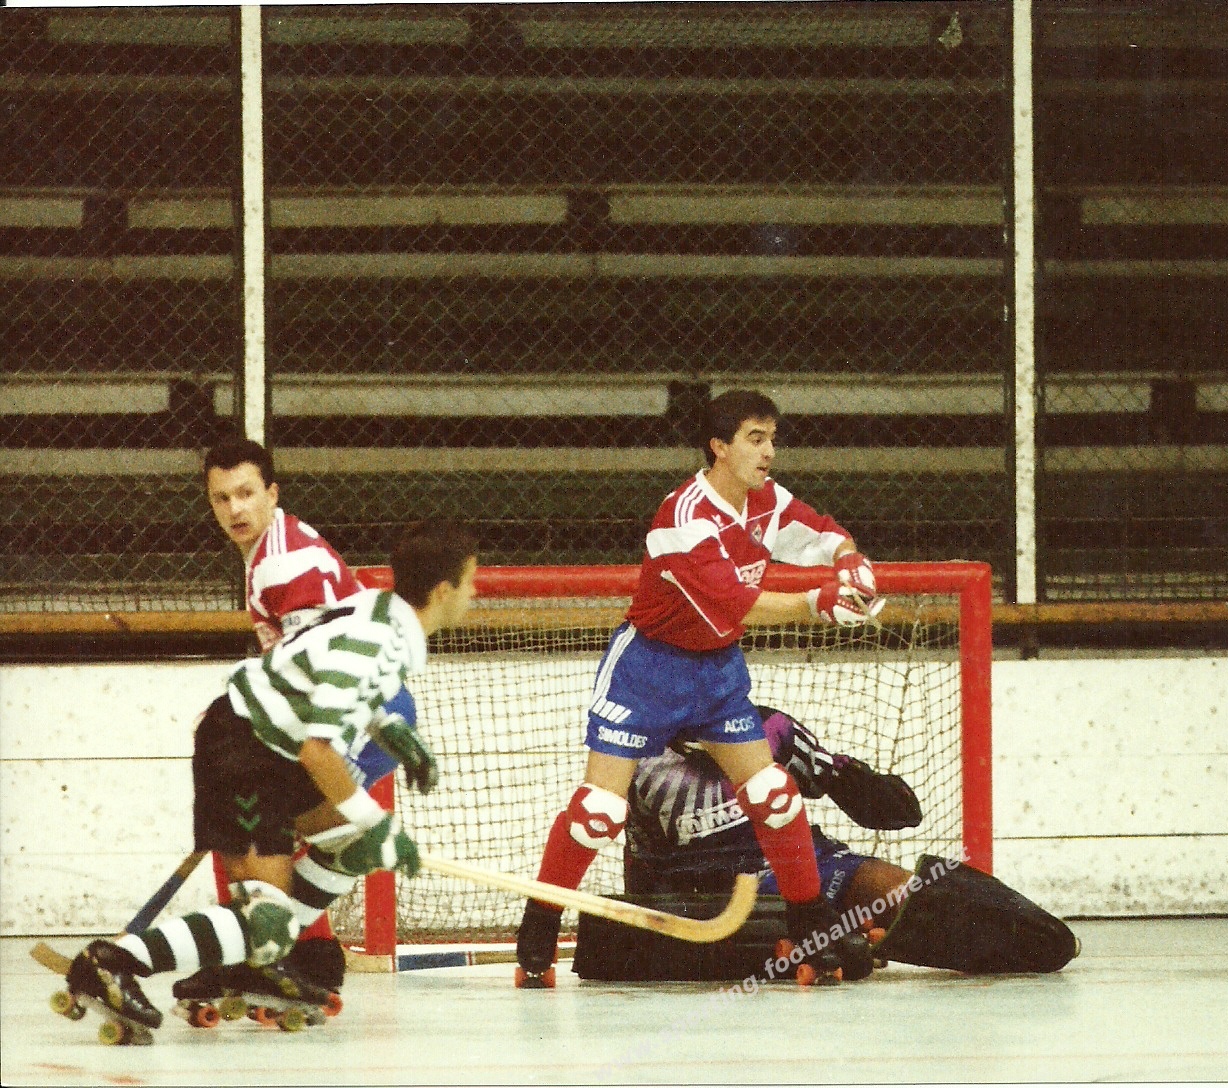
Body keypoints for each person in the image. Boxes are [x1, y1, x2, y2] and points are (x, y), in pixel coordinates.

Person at [513, 389, 885, 988]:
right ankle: (539, 926)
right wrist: (818, 601)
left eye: (772, 439)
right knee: (598, 813)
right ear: (719, 446)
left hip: (716, 669)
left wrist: (850, 561)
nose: (768, 452)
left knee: (774, 795)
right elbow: (736, 602)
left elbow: (821, 533)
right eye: (755, 439)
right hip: (649, 670)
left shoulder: (766, 502)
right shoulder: (683, 518)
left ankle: (809, 928)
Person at [57, 521, 477, 1040]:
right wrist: (377, 820)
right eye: (470, 582)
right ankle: (112, 962)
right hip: (244, 750)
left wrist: (386, 726)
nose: (474, 593)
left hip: (267, 749)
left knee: (354, 849)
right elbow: (318, 751)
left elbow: (323, 674)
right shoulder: (378, 641)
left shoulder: (378, 610)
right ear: (443, 590)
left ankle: (256, 958)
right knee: (269, 920)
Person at [570, 704, 1078, 981]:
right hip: (723, 894)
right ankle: (839, 941)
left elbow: (898, 813)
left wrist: (849, 776)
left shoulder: (770, 730)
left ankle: (1045, 941)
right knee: (826, 945)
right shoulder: (637, 760)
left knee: (911, 894)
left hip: (809, 865)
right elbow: (644, 873)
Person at [196, 438, 413, 998]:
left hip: (362, 714)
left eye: (246, 493)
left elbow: (324, 668)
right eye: (222, 498)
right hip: (363, 708)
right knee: (257, 811)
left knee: (247, 809)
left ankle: (267, 953)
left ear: (272, 493)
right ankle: (303, 952)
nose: (235, 508)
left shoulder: (284, 564)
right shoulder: (273, 546)